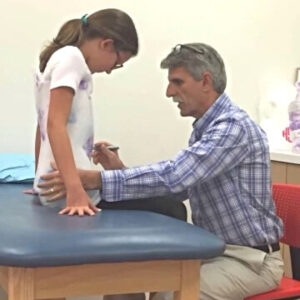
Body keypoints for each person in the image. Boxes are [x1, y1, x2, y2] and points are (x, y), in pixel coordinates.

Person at [38, 42, 284, 299]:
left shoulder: (233, 128)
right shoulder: (206, 130)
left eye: (177, 82)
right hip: (211, 251)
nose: (169, 92)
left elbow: (175, 176)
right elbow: (180, 188)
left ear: (206, 81)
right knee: (123, 282)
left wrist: (97, 179)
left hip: (250, 261)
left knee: (168, 295)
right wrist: (119, 169)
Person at [33, 9, 138, 216]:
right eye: (116, 64)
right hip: (72, 190)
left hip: (56, 185)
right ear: (106, 44)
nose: (109, 70)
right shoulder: (72, 58)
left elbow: (43, 124)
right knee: (170, 208)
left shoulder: (60, 58)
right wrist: (75, 191)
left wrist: (41, 181)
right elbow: (54, 124)